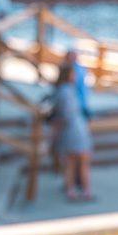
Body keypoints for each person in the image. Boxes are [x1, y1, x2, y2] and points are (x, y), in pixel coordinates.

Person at [51, 64, 94, 202]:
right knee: (80, 162)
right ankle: (83, 190)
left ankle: (73, 190)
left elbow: (63, 114)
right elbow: (67, 113)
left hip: (73, 129)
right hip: (75, 129)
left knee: (72, 163)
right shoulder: (67, 91)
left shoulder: (64, 91)